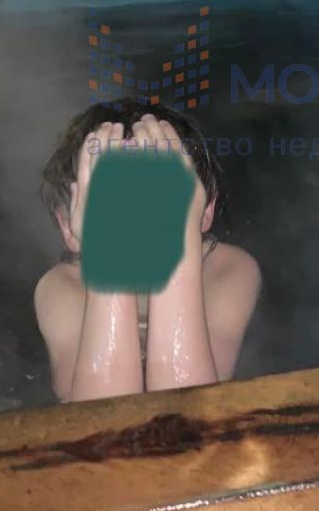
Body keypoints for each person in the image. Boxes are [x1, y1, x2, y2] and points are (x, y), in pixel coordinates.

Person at [34, 100, 260, 402]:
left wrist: (176, 240)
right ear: (69, 228)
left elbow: (194, 409)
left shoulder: (228, 270)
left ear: (204, 211)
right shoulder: (62, 287)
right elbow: (99, 419)